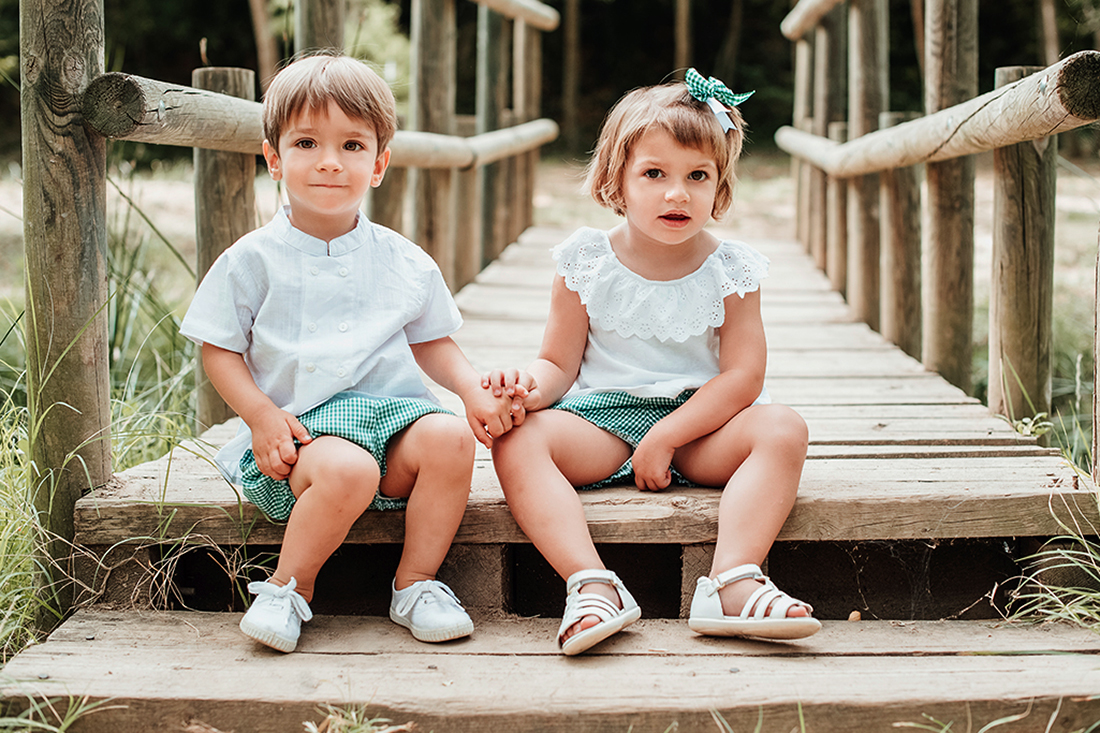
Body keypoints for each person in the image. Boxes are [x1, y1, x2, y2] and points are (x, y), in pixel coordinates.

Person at [181, 52, 516, 653]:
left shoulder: (404, 260)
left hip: (394, 427)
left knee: (449, 438)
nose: (330, 162)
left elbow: (432, 340)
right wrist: (260, 415)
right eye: (307, 143)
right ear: (275, 158)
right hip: (303, 439)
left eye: (353, 146)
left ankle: (416, 583)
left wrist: (469, 389)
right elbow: (220, 350)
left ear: (380, 163)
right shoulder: (251, 260)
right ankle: (290, 587)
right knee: (348, 467)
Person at [484, 69, 821, 656]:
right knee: (516, 441)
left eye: (698, 177)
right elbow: (557, 364)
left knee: (784, 428)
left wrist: (668, 435)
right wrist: (526, 390)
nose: (677, 193)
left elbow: (743, 377)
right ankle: (590, 584)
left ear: (720, 186)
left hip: (702, 426)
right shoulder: (586, 261)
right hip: (601, 424)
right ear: (618, 181)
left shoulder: (732, 269)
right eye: (655, 174)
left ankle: (733, 581)